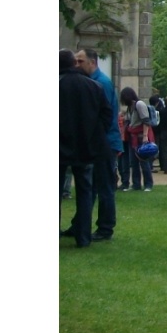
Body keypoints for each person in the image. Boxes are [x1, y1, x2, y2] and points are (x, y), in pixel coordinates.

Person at [59, 50, 114, 248]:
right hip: (86, 147)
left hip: (60, 147)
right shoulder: (94, 86)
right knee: (85, 193)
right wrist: (93, 136)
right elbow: (107, 116)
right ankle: (83, 237)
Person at [72, 48, 122, 242]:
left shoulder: (101, 83)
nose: (77, 64)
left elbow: (106, 118)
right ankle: (80, 224)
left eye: (80, 61)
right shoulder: (95, 82)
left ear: (92, 62)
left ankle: (105, 227)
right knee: (90, 186)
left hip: (105, 143)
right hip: (100, 141)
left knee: (104, 187)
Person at [119, 87, 154, 192]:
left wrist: (145, 136)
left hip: (140, 136)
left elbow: (146, 121)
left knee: (143, 161)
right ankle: (136, 184)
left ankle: (148, 184)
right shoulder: (131, 107)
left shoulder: (139, 104)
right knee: (133, 162)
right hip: (133, 136)